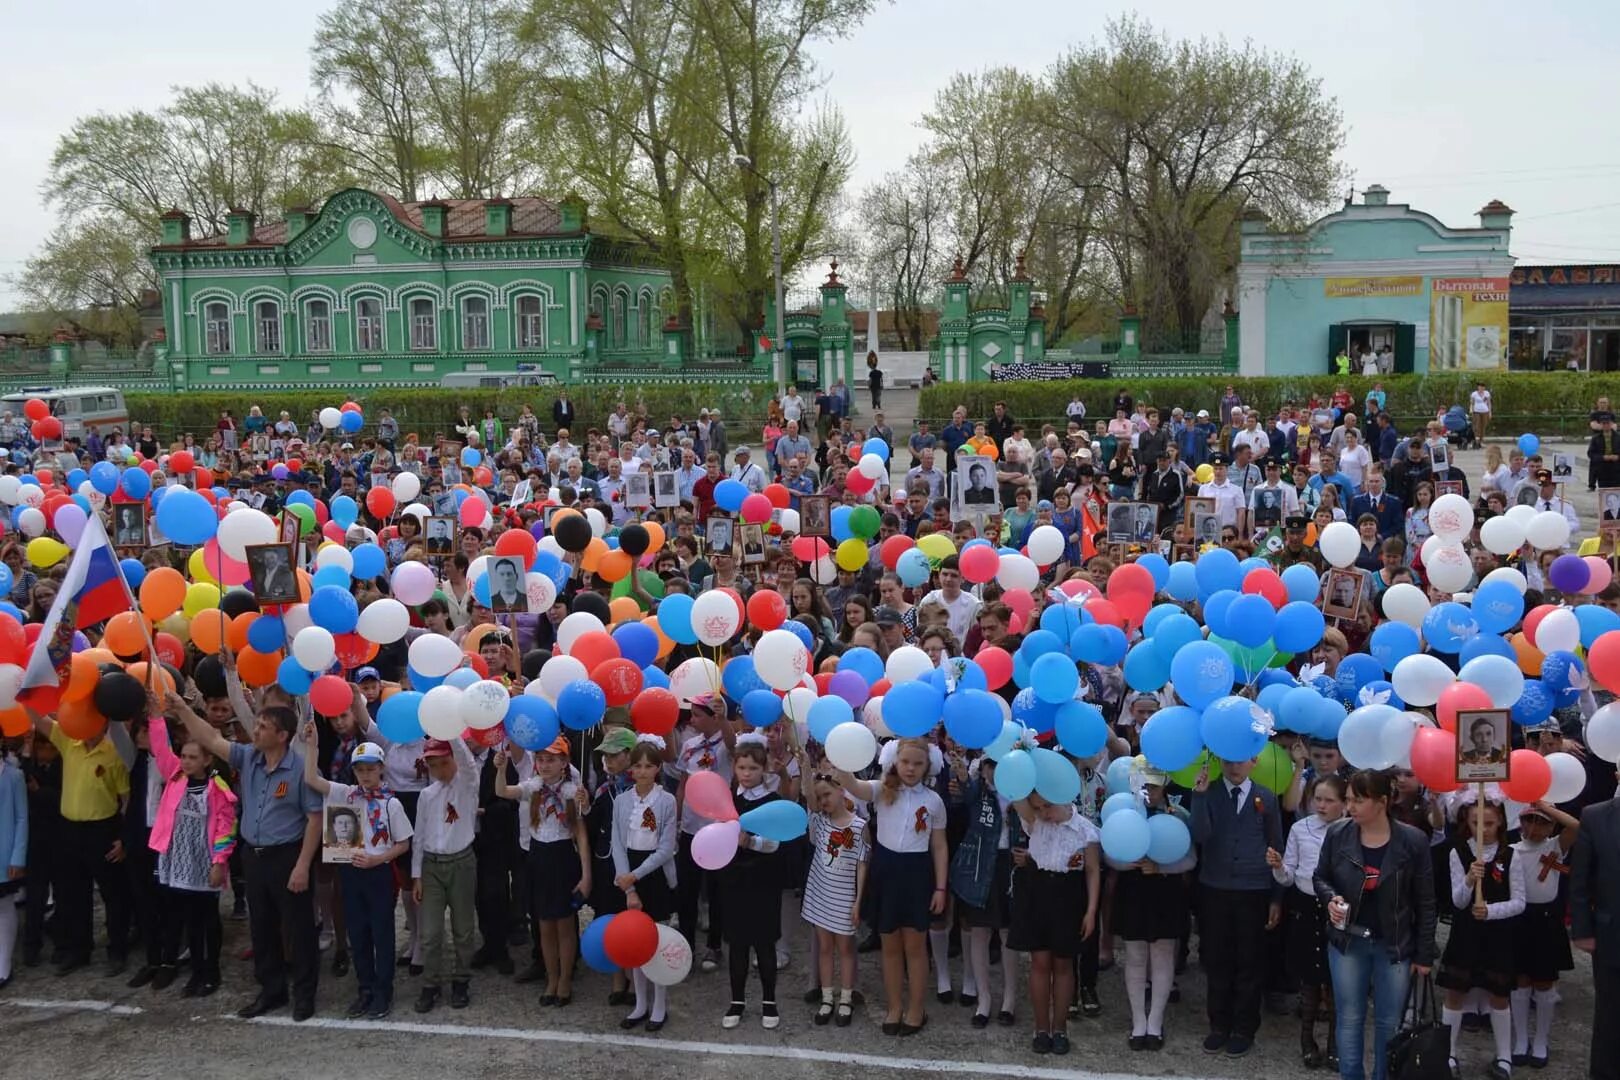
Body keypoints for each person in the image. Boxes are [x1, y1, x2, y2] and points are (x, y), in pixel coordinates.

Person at [171, 695, 320, 1020]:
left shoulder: (300, 768)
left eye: (264, 727)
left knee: (298, 928)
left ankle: (305, 995)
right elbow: (210, 737)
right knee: (262, 926)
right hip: (254, 856)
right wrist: (182, 709)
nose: (256, 731)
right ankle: (272, 991)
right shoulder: (249, 757)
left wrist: (303, 865)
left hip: (287, 856)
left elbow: (314, 819)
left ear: (282, 736)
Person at [1312, 769, 1437, 1080]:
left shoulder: (1412, 840)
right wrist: (1331, 899)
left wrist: (1423, 955)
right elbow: (1320, 877)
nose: (1350, 807)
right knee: (1349, 1018)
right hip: (1348, 941)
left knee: (1389, 1021)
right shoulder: (1339, 833)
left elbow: (1425, 901)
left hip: (1393, 944)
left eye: (1358, 800)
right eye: (1349, 800)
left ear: (1382, 801)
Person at [827, 738, 947, 1038]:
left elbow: (940, 846)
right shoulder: (882, 790)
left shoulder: (933, 801)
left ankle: (917, 1008)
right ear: (895, 761)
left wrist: (941, 888)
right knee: (890, 946)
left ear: (927, 766)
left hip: (917, 874)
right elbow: (852, 786)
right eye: (905, 762)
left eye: (918, 763)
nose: (910, 768)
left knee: (916, 948)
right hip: (886, 871)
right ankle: (895, 1006)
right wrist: (842, 757)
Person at [302, 731, 412, 1020]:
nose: (365, 775)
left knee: (382, 932)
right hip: (350, 872)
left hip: (377, 874)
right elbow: (312, 780)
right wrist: (312, 747)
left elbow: (403, 844)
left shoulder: (392, 803)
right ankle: (364, 988)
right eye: (360, 770)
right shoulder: (346, 794)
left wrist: (379, 859)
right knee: (357, 932)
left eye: (371, 769)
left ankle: (383, 990)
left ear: (381, 769)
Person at [26, 698, 132, 979]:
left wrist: (123, 838)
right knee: (73, 894)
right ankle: (79, 950)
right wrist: (25, 696)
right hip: (69, 830)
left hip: (103, 830)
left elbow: (126, 799)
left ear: (104, 723)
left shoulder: (114, 753)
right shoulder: (67, 741)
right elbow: (41, 721)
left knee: (113, 895)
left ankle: (117, 950)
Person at [1189, 753, 1283, 1058]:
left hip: (1254, 888)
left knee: (1249, 961)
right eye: (1229, 761)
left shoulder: (1265, 797)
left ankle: (1244, 1027)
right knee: (1217, 959)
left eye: (1242, 761)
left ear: (1254, 762)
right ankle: (1219, 1024)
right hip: (1215, 887)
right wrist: (1199, 798)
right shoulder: (1211, 792)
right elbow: (1200, 835)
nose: (1235, 766)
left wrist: (1276, 897)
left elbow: (1276, 846)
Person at [145, 709, 237, 997]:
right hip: (177, 860)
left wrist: (219, 862)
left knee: (207, 920)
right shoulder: (174, 778)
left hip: (204, 862)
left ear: (208, 760)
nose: (185, 761)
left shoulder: (217, 788)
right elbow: (160, 748)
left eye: (193, 757)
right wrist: (155, 717)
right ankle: (193, 971)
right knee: (183, 917)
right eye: (183, 756)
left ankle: (210, 972)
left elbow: (226, 828)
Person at [1006, 788, 1100, 1057]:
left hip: (1069, 897)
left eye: (1047, 806)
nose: (1043, 813)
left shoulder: (1086, 830)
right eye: (1038, 807)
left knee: (1063, 964)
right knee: (1039, 963)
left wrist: (1091, 911)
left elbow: (1092, 872)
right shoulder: (1034, 820)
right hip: (1037, 891)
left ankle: (1060, 1028)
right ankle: (1041, 1028)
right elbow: (1018, 796)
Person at [1437, 791, 1524, 1080]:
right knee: (1456, 992)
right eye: (1477, 823)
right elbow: (1459, 901)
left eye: (1489, 823)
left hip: (1498, 935)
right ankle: (1447, 1054)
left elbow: (1519, 902)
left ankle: (1503, 1056)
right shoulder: (1458, 852)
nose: (1483, 829)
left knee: (1499, 995)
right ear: (1468, 822)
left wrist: (1491, 911)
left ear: (1500, 822)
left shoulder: (1511, 855)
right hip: (1466, 934)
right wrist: (1469, 879)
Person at [496, 735, 588, 1007]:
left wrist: (586, 874)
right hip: (538, 857)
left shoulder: (573, 792)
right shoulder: (533, 788)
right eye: (541, 759)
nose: (545, 765)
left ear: (564, 763)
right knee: (544, 923)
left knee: (565, 925)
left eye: (552, 760)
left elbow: (581, 835)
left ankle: (565, 979)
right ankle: (551, 977)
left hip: (562, 858)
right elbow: (503, 792)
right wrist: (500, 769)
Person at [1110, 764, 1194, 1052]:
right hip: (1133, 890)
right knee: (1134, 956)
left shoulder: (1178, 815)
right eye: (1143, 786)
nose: (1149, 793)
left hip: (1165, 892)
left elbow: (1191, 859)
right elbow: (1110, 856)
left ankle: (1155, 1021)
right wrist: (1129, 861)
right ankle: (1138, 1021)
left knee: (1161, 955)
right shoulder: (1125, 815)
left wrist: (1160, 866)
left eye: (1154, 787)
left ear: (1164, 787)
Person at [1270, 775, 1346, 1069]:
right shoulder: (1301, 829)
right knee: (1310, 979)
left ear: (1343, 803)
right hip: (1305, 905)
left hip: (1337, 907)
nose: (1322, 805)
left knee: (1336, 979)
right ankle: (1307, 1039)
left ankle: (1335, 1043)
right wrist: (1278, 867)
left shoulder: (1350, 830)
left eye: (1329, 800)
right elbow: (1289, 874)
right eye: (1318, 799)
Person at [716, 734, 787, 1030]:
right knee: (738, 944)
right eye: (742, 768)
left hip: (763, 879)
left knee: (764, 943)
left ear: (764, 769)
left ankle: (769, 1001)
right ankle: (737, 1000)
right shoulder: (729, 802)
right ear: (734, 767)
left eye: (753, 769)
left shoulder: (773, 802)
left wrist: (750, 842)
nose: (747, 774)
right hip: (734, 880)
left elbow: (775, 844)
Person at [611, 736, 679, 1030]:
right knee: (636, 943)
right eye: (637, 766)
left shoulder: (666, 801)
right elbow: (617, 843)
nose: (642, 771)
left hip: (654, 874)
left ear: (657, 769)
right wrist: (628, 887)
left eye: (648, 766)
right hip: (630, 877)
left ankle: (659, 1006)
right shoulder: (623, 801)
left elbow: (665, 848)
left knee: (657, 942)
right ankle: (640, 1003)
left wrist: (635, 876)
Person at [410, 736, 479, 1014]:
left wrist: (449, 730)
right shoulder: (427, 795)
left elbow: (468, 762)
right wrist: (417, 875)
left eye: (445, 762)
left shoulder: (466, 785)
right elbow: (419, 835)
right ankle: (431, 983)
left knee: (463, 929)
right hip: (431, 865)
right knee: (430, 932)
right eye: (434, 765)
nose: (441, 770)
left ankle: (461, 979)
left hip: (461, 863)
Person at [1509, 801, 1578, 1069]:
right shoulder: (1512, 850)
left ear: (1551, 825)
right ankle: (1521, 1039)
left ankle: (1541, 1040)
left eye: (1542, 822)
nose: (1535, 827)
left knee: (1544, 982)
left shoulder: (1554, 848)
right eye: (1530, 820)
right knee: (1521, 980)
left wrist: (1545, 807)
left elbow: (1576, 826)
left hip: (1546, 920)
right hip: (1519, 918)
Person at [1570, 778, 1620, 1078]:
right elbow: (1579, 882)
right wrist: (1582, 930)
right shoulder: (1595, 816)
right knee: (1610, 1018)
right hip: (1611, 937)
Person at [0, 736, 26, 991]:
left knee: (5, 907)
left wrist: (17, 856)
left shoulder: (13, 776)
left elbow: (21, 818)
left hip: (4, 853)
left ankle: (3, 964)